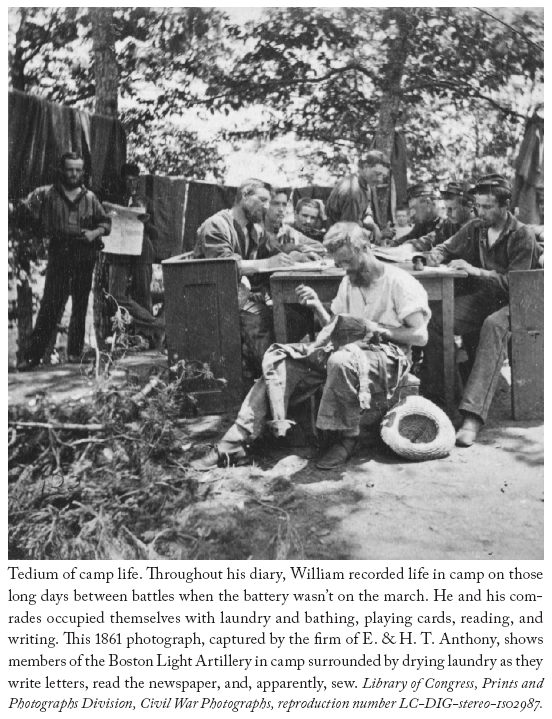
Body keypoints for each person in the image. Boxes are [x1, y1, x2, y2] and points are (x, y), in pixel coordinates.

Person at [192, 222, 430, 471]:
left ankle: (348, 439)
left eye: (347, 261)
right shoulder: (350, 281)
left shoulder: (399, 282)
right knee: (282, 358)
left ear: (365, 248)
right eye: (339, 264)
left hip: (387, 356)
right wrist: (317, 306)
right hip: (348, 350)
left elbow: (420, 336)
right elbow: (336, 327)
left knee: (342, 359)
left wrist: (376, 328)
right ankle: (234, 443)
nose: (343, 269)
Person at [419, 174, 542, 447]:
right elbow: (444, 247)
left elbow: (516, 284)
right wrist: (433, 258)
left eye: (488, 207)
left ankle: (472, 417)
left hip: (522, 302)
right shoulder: (476, 226)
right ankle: (442, 400)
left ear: (506, 205)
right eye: (478, 206)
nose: (481, 212)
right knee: (434, 321)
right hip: (487, 298)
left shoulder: (521, 235)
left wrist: (475, 270)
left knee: (492, 325)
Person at [16, 152, 111, 369]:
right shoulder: (48, 194)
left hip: (84, 251)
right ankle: (32, 357)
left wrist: (94, 233)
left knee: (80, 303)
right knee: (51, 302)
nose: (74, 174)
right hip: (60, 250)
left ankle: (75, 354)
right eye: (70, 169)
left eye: (78, 170)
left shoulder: (89, 198)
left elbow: (105, 222)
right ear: (62, 170)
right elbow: (26, 207)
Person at [193, 178, 295, 375]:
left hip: (236, 296)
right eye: (263, 200)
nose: (267, 207)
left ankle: (274, 375)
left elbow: (271, 254)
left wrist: (292, 256)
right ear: (245, 196)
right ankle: (276, 378)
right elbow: (224, 267)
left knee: (287, 315)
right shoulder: (216, 225)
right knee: (260, 321)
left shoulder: (253, 230)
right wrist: (266, 264)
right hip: (212, 299)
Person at [105, 163, 165, 348]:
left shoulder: (146, 202)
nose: (130, 184)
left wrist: (145, 224)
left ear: (138, 180)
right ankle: (156, 326)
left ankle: (150, 340)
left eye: (134, 180)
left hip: (142, 248)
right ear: (122, 181)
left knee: (143, 293)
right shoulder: (115, 200)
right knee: (116, 294)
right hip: (120, 248)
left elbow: (156, 233)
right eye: (127, 181)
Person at [326, 150, 390, 242]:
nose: (380, 180)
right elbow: (348, 231)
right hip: (339, 241)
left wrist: (373, 226)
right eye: (377, 174)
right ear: (365, 167)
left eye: (383, 176)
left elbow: (366, 211)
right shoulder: (352, 191)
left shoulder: (365, 185)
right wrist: (376, 235)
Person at [263, 190, 325, 259]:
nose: (281, 209)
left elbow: (320, 247)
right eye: (276, 204)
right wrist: (295, 250)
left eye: (284, 204)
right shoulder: (257, 228)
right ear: (266, 205)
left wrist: (301, 249)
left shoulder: (286, 230)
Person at [386, 183, 441, 248]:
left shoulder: (445, 220)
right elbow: (410, 236)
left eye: (414, 208)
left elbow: (432, 238)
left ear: (428, 203)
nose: (412, 215)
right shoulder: (422, 222)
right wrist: (395, 243)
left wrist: (415, 243)